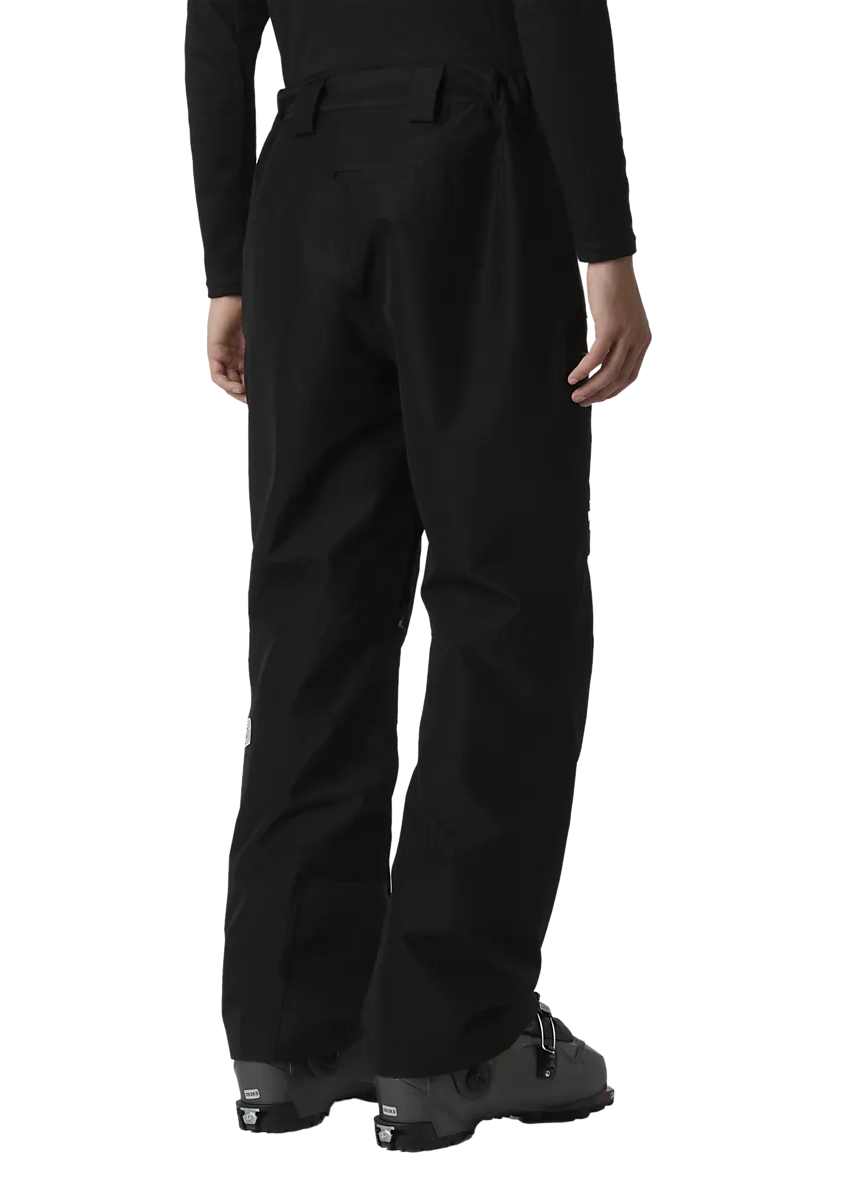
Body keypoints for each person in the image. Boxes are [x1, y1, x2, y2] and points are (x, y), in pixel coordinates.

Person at [187, 0, 652, 1151]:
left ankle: (289, 1035)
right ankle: (453, 1044)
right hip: (476, 165)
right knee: (506, 601)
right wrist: (606, 244)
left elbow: (214, 22)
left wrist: (228, 261)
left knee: (313, 607)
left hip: (305, 175)